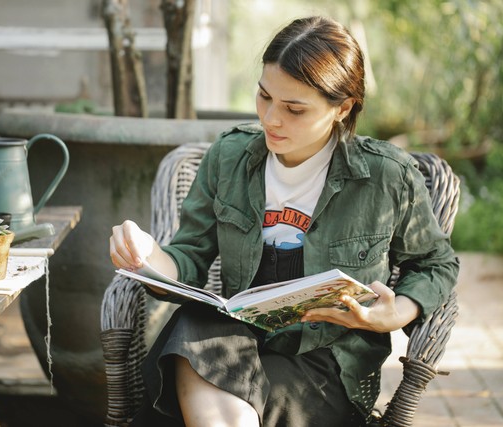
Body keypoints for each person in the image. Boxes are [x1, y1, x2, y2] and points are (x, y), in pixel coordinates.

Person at [109, 15, 459, 427]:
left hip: (327, 368)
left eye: (294, 109)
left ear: (342, 108)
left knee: (181, 400)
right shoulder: (230, 157)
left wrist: (396, 312)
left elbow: (437, 264)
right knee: (194, 325)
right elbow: (188, 257)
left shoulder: (387, 177)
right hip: (236, 345)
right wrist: (145, 256)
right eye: (264, 97)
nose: (271, 119)